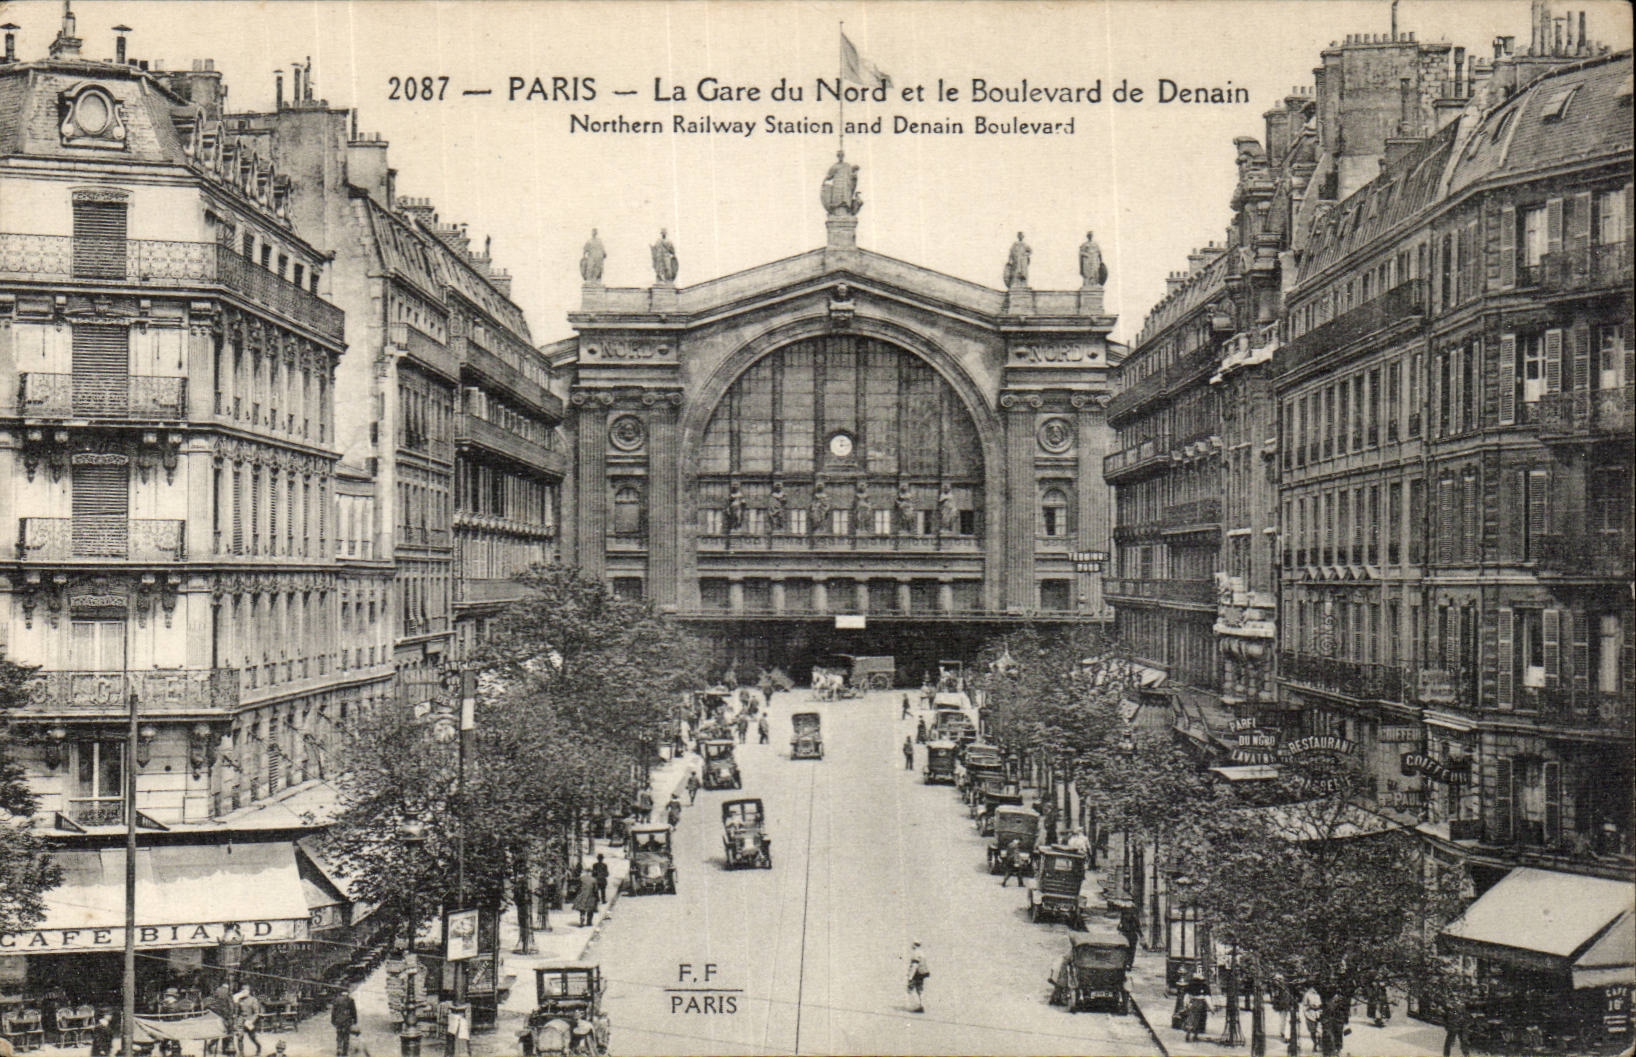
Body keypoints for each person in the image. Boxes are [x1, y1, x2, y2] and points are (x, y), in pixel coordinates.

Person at [1180, 972, 1212, 1043]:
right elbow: (1207, 998)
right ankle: (1195, 1035)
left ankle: (1188, 1033)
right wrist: (1211, 1008)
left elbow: (1186, 996)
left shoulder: (1190, 986)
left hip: (1192, 1003)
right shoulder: (1205, 987)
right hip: (1201, 1004)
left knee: (1191, 1018)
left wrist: (1185, 1004)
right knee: (1198, 1019)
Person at [235, 988, 263, 1057]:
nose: (243, 992)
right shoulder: (240, 1000)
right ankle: (241, 1053)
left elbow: (256, 1013)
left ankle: (259, 1048)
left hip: (250, 1021)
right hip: (241, 1021)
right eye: (242, 991)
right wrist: (237, 1020)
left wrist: (251, 1021)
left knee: (252, 1037)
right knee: (240, 1037)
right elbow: (237, 1012)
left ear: (248, 991)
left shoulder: (253, 1000)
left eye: (245, 991)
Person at [329, 991, 358, 1057]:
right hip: (347, 1021)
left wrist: (333, 1020)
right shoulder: (350, 1000)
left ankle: (339, 1048)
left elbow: (333, 1012)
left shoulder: (336, 1000)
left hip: (339, 1020)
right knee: (346, 1036)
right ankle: (345, 1052)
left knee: (339, 1034)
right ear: (347, 993)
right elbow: (354, 1011)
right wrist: (355, 1021)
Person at [905, 942, 929, 1013]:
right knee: (919, 990)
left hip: (916, 974)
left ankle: (917, 1006)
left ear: (914, 945)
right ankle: (921, 1005)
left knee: (910, 990)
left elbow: (914, 966)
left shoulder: (915, 954)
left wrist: (910, 977)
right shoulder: (922, 953)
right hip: (922, 974)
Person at [1301, 985, 1324, 1054]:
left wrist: (1320, 1008)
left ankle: (1320, 1044)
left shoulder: (1319, 993)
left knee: (1320, 1030)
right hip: (1310, 1015)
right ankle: (1315, 1043)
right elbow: (1304, 1005)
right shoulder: (1307, 994)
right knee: (1312, 1031)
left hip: (1319, 1014)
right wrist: (1309, 1008)